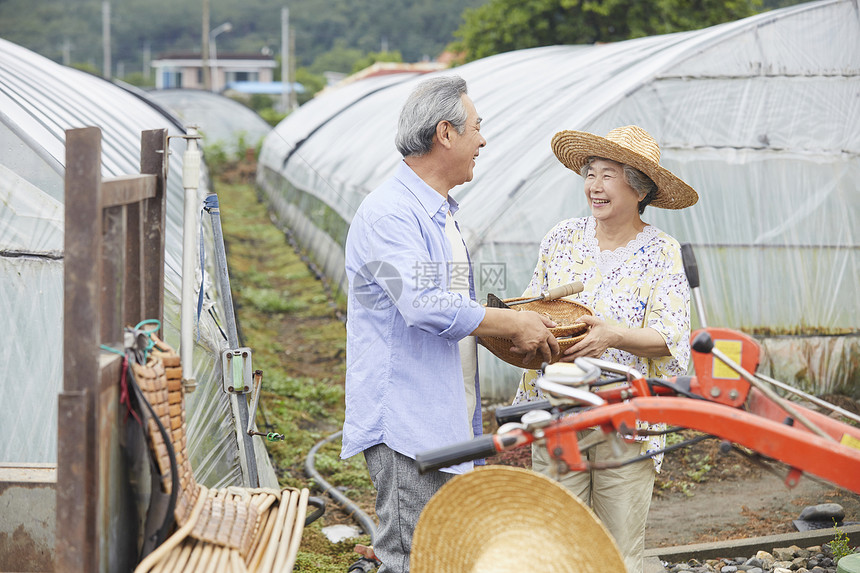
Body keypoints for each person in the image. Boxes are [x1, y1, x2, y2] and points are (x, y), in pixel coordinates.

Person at [341, 75, 560, 573]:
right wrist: (510, 321)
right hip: (406, 419)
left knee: (447, 553)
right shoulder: (391, 214)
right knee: (414, 557)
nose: (483, 140)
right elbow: (421, 304)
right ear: (446, 133)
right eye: (477, 128)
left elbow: (452, 310)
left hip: (441, 414)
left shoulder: (439, 215)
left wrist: (506, 336)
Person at [514, 125, 697, 573]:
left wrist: (613, 335)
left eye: (608, 175)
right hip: (558, 409)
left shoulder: (661, 252)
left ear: (638, 188)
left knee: (617, 550)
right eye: (590, 173)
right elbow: (532, 306)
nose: (593, 186)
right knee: (557, 543)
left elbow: (671, 337)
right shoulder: (562, 238)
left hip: (627, 416)